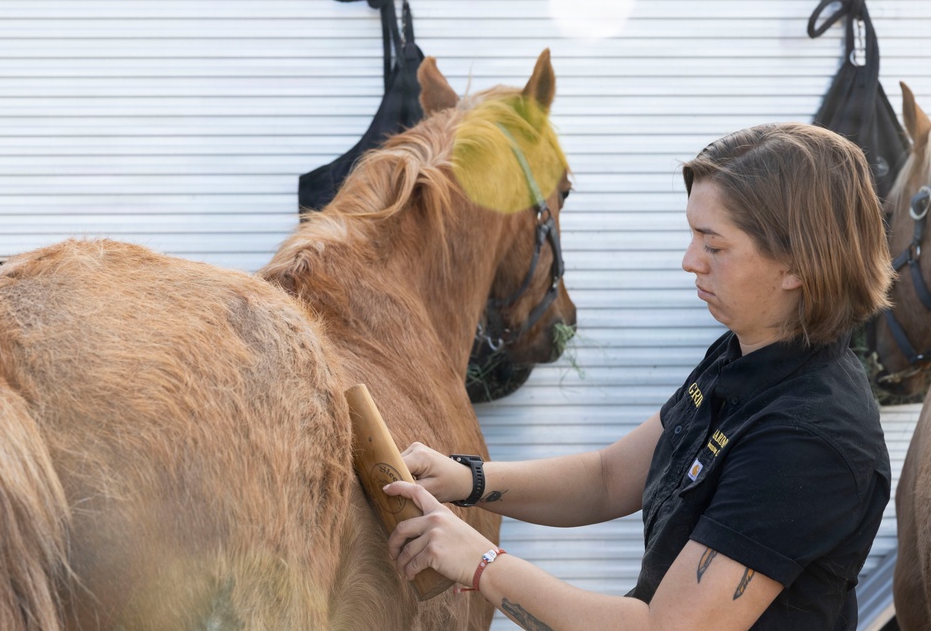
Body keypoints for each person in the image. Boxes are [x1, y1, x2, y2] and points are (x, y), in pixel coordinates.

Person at [383, 122, 894, 630]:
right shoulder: (744, 353)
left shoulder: (808, 441)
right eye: (692, 235)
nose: (689, 261)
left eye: (713, 245)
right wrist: (465, 478)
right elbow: (608, 478)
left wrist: (482, 564)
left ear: (796, 265)